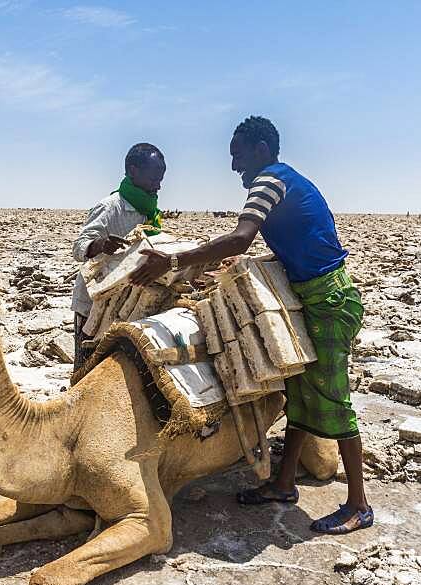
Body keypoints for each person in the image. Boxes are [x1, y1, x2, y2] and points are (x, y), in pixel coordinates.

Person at [129, 116, 370, 534]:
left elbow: (241, 237)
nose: (235, 165)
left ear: (260, 148)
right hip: (312, 295)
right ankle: (283, 482)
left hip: (329, 300)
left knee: (332, 398)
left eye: (238, 154)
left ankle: (358, 505)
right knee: (299, 392)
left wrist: (172, 262)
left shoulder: (269, 181)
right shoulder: (284, 179)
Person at [70, 143, 166, 370]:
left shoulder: (150, 212)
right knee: (88, 367)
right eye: (154, 177)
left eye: (161, 178)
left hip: (125, 304)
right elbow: (78, 247)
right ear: (133, 171)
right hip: (94, 306)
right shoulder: (111, 207)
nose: (159, 184)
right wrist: (101, 245)